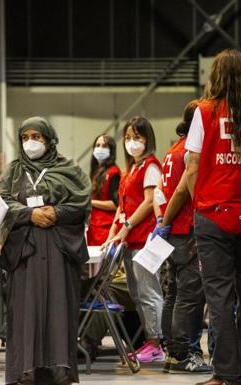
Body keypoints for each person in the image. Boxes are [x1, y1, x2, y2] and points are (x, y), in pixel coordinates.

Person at [182, 49, 241, 385]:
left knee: (219, 298)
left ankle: (226, 374)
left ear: (215, 76)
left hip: (214, 216)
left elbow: (191, 167)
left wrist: (201, 204)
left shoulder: (204, 112)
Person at [0, 116, 91, 385]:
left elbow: (82, 202)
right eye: (25, 137)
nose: (31, 143)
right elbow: (3, 203)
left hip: (60, 250)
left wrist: (57, 211)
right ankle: (25, 371)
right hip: (25, 251)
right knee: (26, 311)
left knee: (60, 309)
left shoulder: (69, 169)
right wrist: (29, 214)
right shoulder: (13, 171)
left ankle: (60, 371)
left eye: (36, 137)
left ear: (49, 140)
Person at [153, 99, 211, 373]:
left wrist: (162, 222)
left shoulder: (172, 151)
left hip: (172, 233)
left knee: (173, 295)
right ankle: (181, 356)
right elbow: (180, 192)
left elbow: (161, 193)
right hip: (185, 231)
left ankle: (172, 353)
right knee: (188, 297)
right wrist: (165, 221)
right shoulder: (191, 153)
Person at [105, 115, 165, 363]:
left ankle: (156, 344)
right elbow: (122, 206)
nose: (132, 142)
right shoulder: (131, 169)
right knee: (136, 293)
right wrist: (113, 233)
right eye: (128, 138)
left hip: (145, 239)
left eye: (137, 137)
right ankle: (148, 341)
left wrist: (127, 227)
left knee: (149, 292)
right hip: (129, 241)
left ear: (147, 139)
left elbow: (149, 201)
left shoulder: (150, 166)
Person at [86, 135, 120, 246]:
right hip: (94, 228)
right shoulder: (96, 172)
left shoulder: (114, 173)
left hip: (106, 228)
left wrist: (90, 202)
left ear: (111, 150)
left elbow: (116, 204)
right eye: (97, 145)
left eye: (104, 146)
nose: (100, 148)